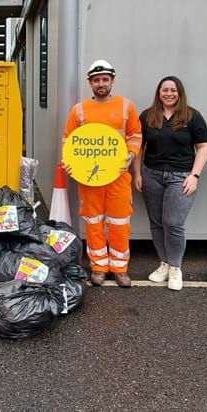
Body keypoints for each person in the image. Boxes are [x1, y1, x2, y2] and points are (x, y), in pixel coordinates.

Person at [62, 60, 142, 288]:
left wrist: (131, 153)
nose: (101, 83)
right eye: (96, 80)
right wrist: (70, 163)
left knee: (119, 222)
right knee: (93, 221)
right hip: (90, 177)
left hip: (118, 175)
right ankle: (98, 267)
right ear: (90, 82)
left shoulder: (126, 106)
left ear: (112, 81)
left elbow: (136, 135)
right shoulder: (79, 110)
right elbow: (68, 140)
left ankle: (119, 268)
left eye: (105, 79)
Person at [131, 76, 207, 291]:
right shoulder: (148, 116)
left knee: (173, 222)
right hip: (152, 175)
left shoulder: (192, 116)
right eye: (165, 90)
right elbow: (139, 147)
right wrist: (137, 174)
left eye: (173, 90)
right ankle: (164, 264)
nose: (169, 94)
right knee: (156, 222)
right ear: (159, 93)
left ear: (180, 93)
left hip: (181, 176)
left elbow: (203, 147)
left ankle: (176, 268)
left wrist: (195, 175)